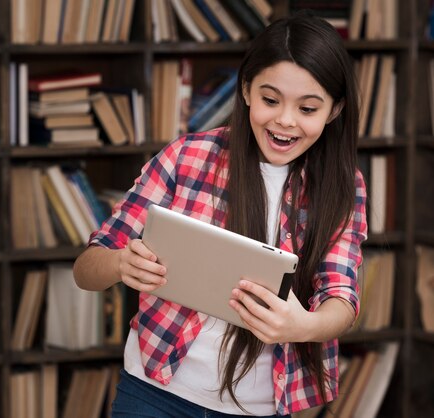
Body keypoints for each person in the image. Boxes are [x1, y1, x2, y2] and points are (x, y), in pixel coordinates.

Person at [73, 11, 367, 418]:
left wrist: (304, 327)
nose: (285, 120)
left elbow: (342, 298)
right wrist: (122, 264)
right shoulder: (187, 158)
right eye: (270, 99)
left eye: (308, 108)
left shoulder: (342, 184)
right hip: (153, 393)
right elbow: (87, 268)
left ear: (334, 111)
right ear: (245, 90)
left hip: (259, 408)